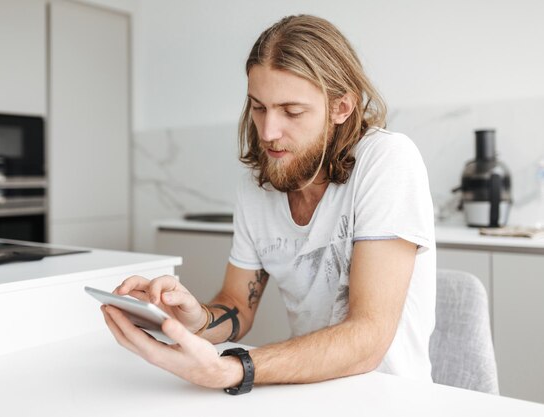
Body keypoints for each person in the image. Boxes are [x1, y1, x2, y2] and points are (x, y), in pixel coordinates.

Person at [101, 14, 436, 395]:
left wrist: (232, 369)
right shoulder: (257, 187)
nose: (268, 132)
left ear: (342, 107)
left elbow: (368, 338)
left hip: (392, 398)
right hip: (308, 390)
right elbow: (237, 307)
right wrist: (194, 318)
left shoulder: (387, 160)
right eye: (258, 107)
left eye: (292, 112)